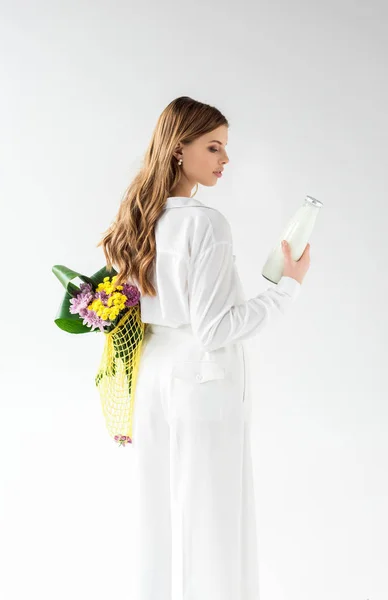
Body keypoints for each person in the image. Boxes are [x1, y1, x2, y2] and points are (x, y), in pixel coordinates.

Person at [97, 96, 311, 600]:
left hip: (149, 379)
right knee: (211, 519)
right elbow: (216, 328)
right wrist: (288, 287)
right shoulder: (204, 224)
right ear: (178, 149)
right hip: (203, 384)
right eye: (214, 147)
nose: (224, 160)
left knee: (156, 516)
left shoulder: (136, 222)